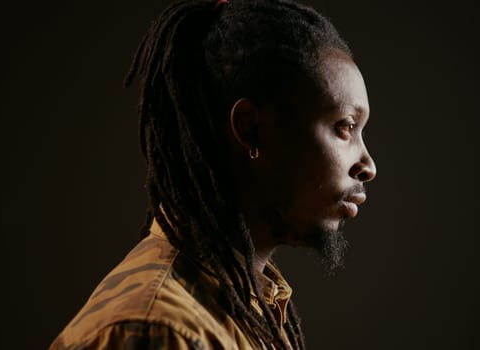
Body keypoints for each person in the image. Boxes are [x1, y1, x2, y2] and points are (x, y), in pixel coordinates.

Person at [50, 0, 376, 348]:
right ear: (251, 130)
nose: (368, 166)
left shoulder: (252, 302)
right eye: (345, 126)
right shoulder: (160, 330)